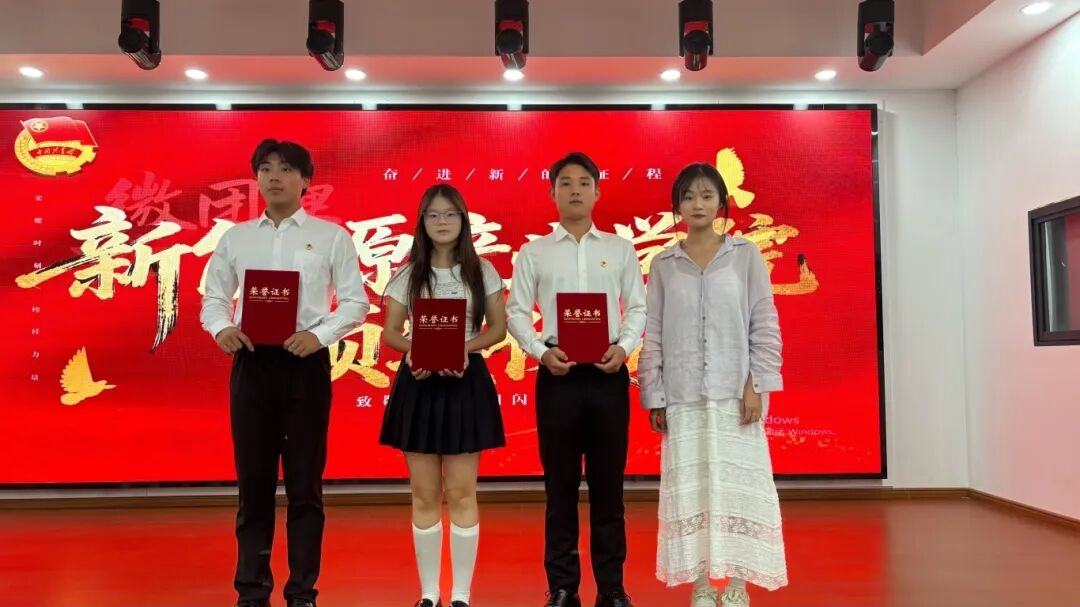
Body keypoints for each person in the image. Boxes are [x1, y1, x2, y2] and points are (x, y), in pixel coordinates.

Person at [200, 139, 370, 607]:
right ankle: (251, 592)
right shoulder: (236, 238)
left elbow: (355, 302)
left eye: (286, 168)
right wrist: (221, 328)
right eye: (266, 168)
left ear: (306, 180)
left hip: (304, 364)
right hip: (252, 363)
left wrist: (320, 335)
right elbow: (214, 297)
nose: (274, 176)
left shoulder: (331, 236)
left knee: (304, 486)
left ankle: (302, 593)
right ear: (257, 177)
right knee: (253, 485)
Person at [638, 163, 788, 607]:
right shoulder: (664, 264)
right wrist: (654, 393)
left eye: (706, 195)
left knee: (739, 491)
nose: (697, 204)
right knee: (694, 492)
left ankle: (738, 584)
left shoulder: (744, 256)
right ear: (677, 206)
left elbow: (764, 323)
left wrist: (757, 384)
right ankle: (702, 584)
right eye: (688, 197)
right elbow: (653, 331)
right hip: (683, 396)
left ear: (722, 202)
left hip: (734, 395)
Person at [506, 152, 646, 607]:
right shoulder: (535, 252)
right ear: (551, 193)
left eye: (584, 183)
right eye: (565, 183)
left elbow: (638, 307)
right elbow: (516, 312)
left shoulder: (620, 249)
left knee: (609, 489)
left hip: (608, 374)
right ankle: (563, 587)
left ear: (598, 191)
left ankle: (612, 588)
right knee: (560, 489)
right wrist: (540, 352)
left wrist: (624, 347)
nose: (575, 191)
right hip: (558, 376)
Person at [379, 184, 508, 607]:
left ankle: (462, 595)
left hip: (465, 381)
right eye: (433, 215)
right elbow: (391, 332)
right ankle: (429, 593)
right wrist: (414, 350)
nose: (442, 222)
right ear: (422, 222)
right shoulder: (407, 274)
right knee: (424, 494)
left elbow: (497, 329)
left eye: (450, 214)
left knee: (462, 492)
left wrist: (462, 350)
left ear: (463, 221)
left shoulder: (482, 271)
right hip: (419, 383)